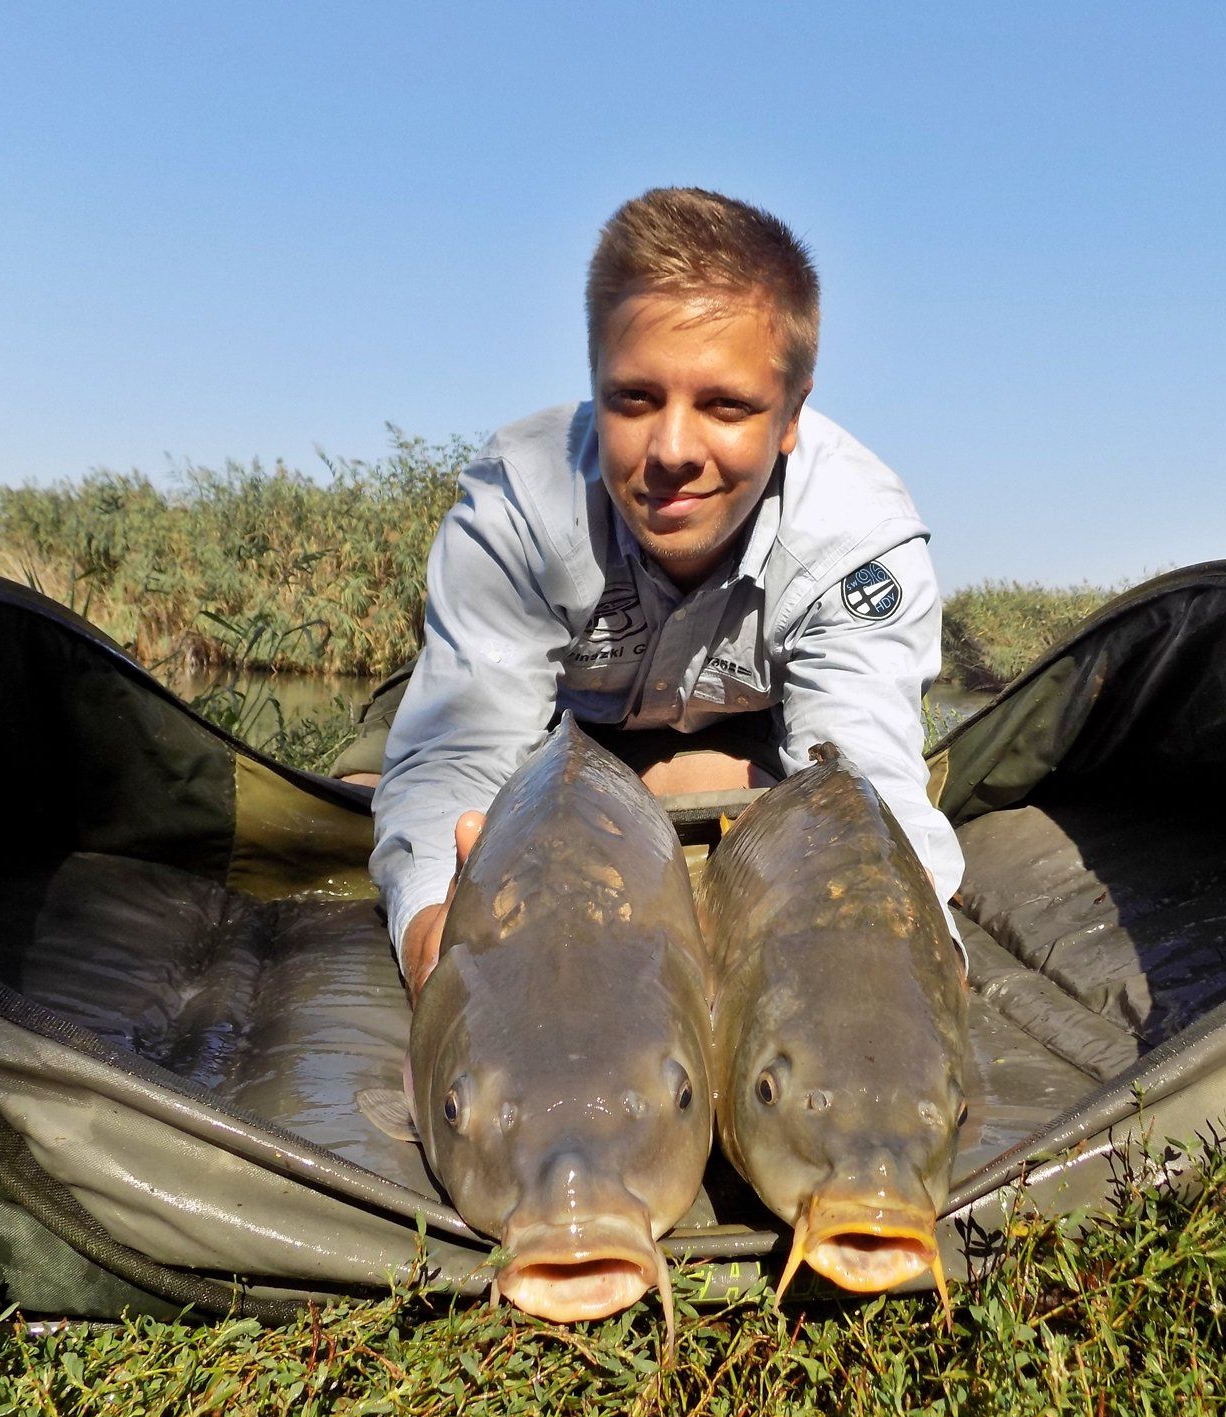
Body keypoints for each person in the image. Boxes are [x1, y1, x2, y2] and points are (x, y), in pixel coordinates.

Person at [364, 186, 963, 997]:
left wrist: (906, 945)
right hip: (541, 725)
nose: (672, 451)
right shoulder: (519, 504)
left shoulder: (861, 540)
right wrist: (435, 923)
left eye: (726, 406)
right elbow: (462, 757)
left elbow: (860, 780)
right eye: (635, 399)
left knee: (779, 804)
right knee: (378, 803)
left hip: (746, 732)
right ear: (594, 382)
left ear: (791, 414)